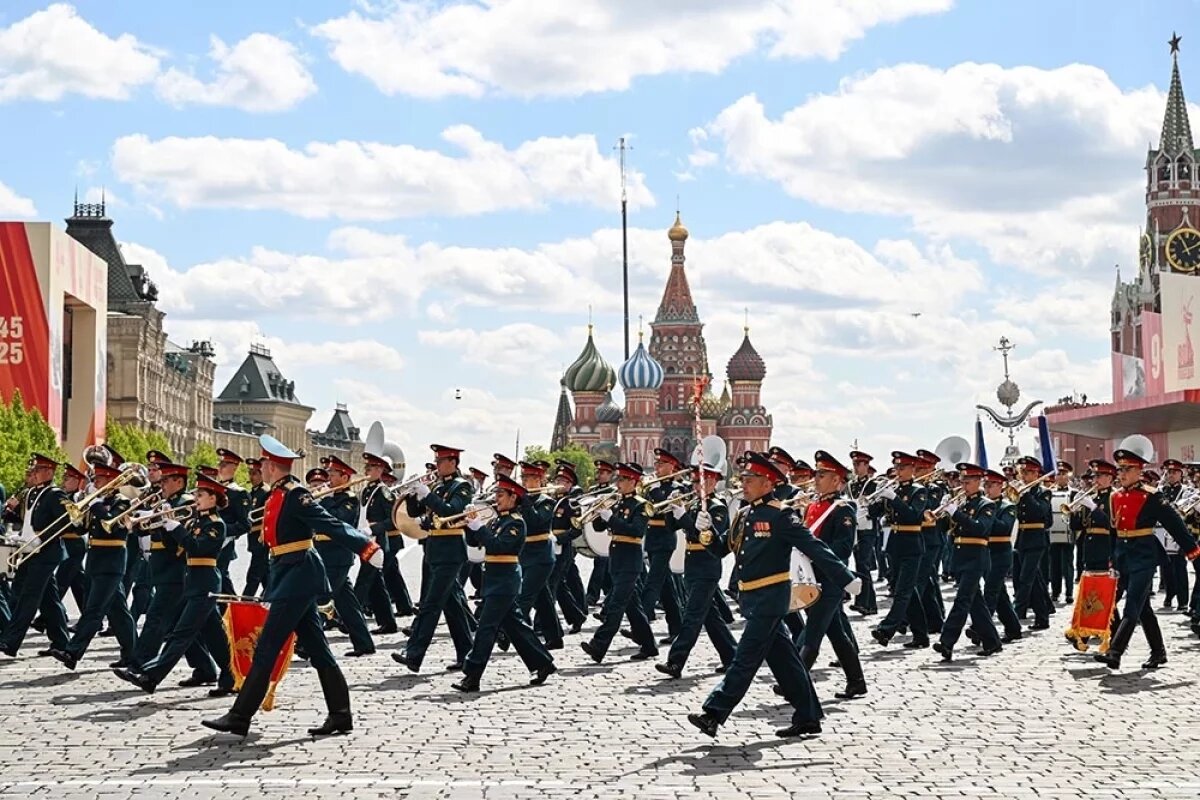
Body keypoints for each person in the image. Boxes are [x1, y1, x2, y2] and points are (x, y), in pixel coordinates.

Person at [202, 434, 384, 737]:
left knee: (267, 647)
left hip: (299, 576)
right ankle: (340, 714)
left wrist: (366, 547)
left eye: (263, 462)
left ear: (272, 466)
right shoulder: (279, 492)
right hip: (288, 574)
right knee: (319, 650)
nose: (259, 466)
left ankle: (240, 715)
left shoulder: (295, 494)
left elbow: (330, 523)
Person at [687, 452, 859, 739]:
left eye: (750, 479)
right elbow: (721, 549)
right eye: (743, 478)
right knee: (786, 661)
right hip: (752, 599)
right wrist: (705, 533)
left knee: (745, 658)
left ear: (768, 483)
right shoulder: (743, 514)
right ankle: (808, 716)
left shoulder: (781, 515)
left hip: (771, 598)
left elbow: (816, 547)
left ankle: (714, 713)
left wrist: (845, 578)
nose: (744, 483)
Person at [114, 473, 234, 695]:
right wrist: (160, 521)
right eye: (196, 493)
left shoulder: (216, 525)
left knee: (181, 634)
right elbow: (174, 547)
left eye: (201, 494)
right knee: (215, 636)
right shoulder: (196, 520)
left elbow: (196, 548)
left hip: (205, 584)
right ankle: (232, 676)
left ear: (213, 499)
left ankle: (151, 676)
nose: (196, 498)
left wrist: (176, 527)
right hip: (193, 584)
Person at [1093, 449, 1200, 671]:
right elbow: (1114, 531)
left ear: (1140, 471)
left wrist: (1192, 550)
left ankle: (1115, 652)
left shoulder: (1152, 496)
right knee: (1139, 607)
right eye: (1120, 469)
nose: (1121, 474)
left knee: (1133, 603)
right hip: (1123, 556)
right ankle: (1158, 652)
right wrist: (1112, 558)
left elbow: (1174, 524)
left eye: (1126, 469)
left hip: (1144, 555)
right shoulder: (1115, 496)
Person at [452, 475, 556, 692]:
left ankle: (473, 674)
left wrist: (479, 527)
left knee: (486, 628)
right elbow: (478, 543)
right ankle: (542, 663)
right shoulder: (499, 520)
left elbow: (498, 546)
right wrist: (470, 525)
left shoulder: (516, 523)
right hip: (494, 580)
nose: (496, 498)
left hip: (505, 582)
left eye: (500, 495)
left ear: (513, 497)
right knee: (516, 627)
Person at [393, 444, 476, 672]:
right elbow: (415, 513)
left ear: (453, 462)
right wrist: (411, 495)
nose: (437, 465)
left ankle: (414, 654)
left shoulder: (462, 487)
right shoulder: (438, 486)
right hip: (435, 549)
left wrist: (427, 494)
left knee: (430, 604)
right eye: (436, 461)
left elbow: (451, 512)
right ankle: (467, 654)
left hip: (451, 551)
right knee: (452, 606)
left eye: (440, 461)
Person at [49, 461, 138, 669]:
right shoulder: (96, 502)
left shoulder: (123, 502)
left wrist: (96, 505)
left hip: (112, 560)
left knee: (94, 608)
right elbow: (84, 530)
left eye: (99, 479)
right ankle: (132, 654)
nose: (95, 483)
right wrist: (76, 519)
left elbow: (111, 526)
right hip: (95, 559)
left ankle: (73, 652)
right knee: (118, 612)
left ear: (111, 481)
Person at [794, 451, 867, 699]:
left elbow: (843, 548)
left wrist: (815, 555)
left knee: (811, 634)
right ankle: (856, 681)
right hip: (811, 576)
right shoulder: (814, 505)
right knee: (836, 632)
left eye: (822, 475)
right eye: (816, 474)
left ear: (837, 480)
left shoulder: (843, 508)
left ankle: (794, 681)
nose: (816, 478)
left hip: (830, 578)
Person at [656, 463, 736, 678]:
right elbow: (672, 527)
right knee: (711, 617)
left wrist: (684, 516)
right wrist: (674, 508)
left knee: (691, 616)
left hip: (707, 565)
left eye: (697, 481)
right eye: (692, 481)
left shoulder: (717, 507)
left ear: (711, 482)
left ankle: (675, 661)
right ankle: (732, 656)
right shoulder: (693, 504)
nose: (693, 485)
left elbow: (708, 536)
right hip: (692, 564)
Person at [580, 463, 658, 663]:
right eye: (618, 479)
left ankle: (599, 646)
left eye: (622, 479)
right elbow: (598, 527)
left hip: (630, 561)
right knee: (633, 607)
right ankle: (649, 645)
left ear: (633, 481)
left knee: (616, 605)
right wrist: (597, 510)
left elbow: (635, 531)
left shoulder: (642, 505)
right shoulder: (616, 502)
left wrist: (611, 518)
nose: (618, 483)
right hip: (617, 559)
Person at [0, 454, 71, 657]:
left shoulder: (55, 494)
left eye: (38, 470)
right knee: (48, 600)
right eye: (34, 470)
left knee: (28, 596)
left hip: (46, 551)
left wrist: (43, 537)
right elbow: (27, 520)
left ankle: (10, 642)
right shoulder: (32, 493)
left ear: (49, 472)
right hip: (30, 551)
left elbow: (65, 521)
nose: (34, 473)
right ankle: (61, 642)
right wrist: (10, 512)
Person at [933, 463, 1003, 661]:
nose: (963, 486)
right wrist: (943, 513)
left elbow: (980, 528)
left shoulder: (986, 505)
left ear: (979, 482)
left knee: (962, 600)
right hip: (960, 556)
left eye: (968, 482)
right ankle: (992, 641)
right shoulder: (963, 504)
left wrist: (956, 513)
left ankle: (947, 642)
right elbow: (947, 528)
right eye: (962, 481)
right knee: (975, 603)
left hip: (976, 557)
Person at [315, 457, 376, 657]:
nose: (328, 478)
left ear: (344, 477)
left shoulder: (349, 499)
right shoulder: (328, 497)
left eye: (333, 474)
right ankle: (364, 643)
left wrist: (323, 500)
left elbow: (336, 520)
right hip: (324, 552)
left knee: (322, 597)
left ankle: (308, 644)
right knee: (347, 604)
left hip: (339, 554)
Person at [870, 452, 929, 647]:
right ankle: (921, 636)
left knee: (902, 591)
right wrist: (876, 498)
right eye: (897, 468)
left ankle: (886, 630)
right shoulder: (892, 489)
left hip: (912, 544)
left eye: (902, 468)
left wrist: (894, 498)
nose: (898, 472)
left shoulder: (919, 491)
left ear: (913, 469)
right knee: (905, 590)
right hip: (895, 544)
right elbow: (875, 514)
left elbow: (913, 515)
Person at [641, 449, 686, 642]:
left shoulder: (678, 487)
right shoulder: (652, 485)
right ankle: (676, 628)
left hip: (666, 537)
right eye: (656, 464)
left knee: (652, 582)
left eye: (661, 464)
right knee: (667, 588)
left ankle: (640, 624)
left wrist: (655, 490)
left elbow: (666, 507)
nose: (657, 468)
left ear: (672, 466)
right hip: (652, 537)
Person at [1012, 456, 1052, 631]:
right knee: (1034, 579)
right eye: (1023, 472)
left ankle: (1015, 615)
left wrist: (1026, 495)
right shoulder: (1020, 491)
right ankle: (1043, 616)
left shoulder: (1043, 492)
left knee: (1025, 578)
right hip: (1022, 537)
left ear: (1036, 474)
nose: (1024, 476)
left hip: (1036, 538)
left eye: (1028, 472)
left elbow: (1040, 512)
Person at [847, 451, 879, 616]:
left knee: (863, 565)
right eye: (854, 465)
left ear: (866, 465)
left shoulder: (873, 485)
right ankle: (868, 603)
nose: (855, 468)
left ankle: (864, 602)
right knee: (860, 564)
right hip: (855, 528)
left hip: (867, 528)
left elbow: (880, 508)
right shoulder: (852, 485)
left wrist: (868, 509)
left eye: (858, 465)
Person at [215, 449, 251, 597]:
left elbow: (244, 525)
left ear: (234, 468)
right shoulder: (213, 489)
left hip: (224, 542)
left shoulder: (238, 493)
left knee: (218, 578)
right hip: (209, 541)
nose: (220, 467)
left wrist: (221, 530)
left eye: (224, 464)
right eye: (220, 463)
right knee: (219, 580)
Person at [242, 458, 270, 597]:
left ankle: (245, 600)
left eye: (254, 473)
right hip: (254, 539)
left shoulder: (265, 492)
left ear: (261, 475)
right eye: (250, 473)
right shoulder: (252, 493)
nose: (251, 477)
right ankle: (270, 597)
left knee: (254, 574)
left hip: (261, 538)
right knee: (266, 575)